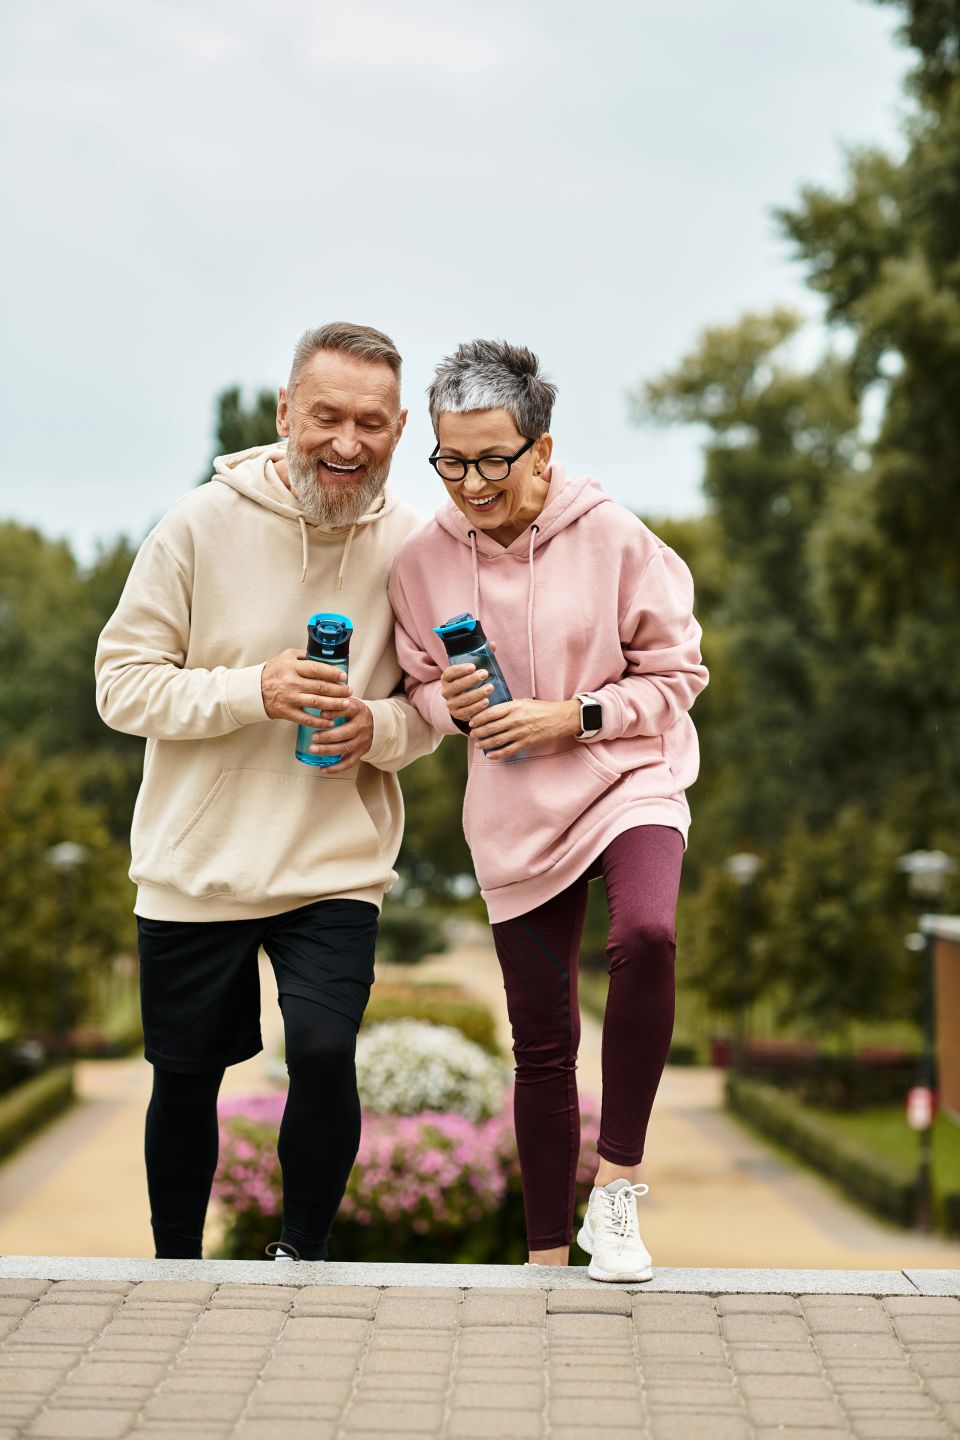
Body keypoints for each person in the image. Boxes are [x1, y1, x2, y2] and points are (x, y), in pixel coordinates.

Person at [95, 321, 437, 1262]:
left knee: (325, 1054)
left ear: (400, 428)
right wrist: (254, 690)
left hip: (332, 860)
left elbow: (435, 700)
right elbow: (120, 685)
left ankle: (300, 1262)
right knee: (186, 1075)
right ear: (286, 410)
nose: (346, 442)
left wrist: (384, 729)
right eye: (326, 415)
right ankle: (176, 1271)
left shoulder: (414, 545)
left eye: (370, 422)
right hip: (196, 862)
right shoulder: (196, 526)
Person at [384, 339, 708, 1281]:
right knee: (543, 1044)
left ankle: (617, 1192)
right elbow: (416, 692)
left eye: (495, 458)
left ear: (542, 450)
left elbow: (677, 674)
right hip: (515, 816)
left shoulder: (616, 538)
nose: (472, 482)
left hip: (627, 778)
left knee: (646, 936)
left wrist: (574, 715)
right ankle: (541, 1264)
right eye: (452, 459)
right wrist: (456, 704)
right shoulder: (419, 563)